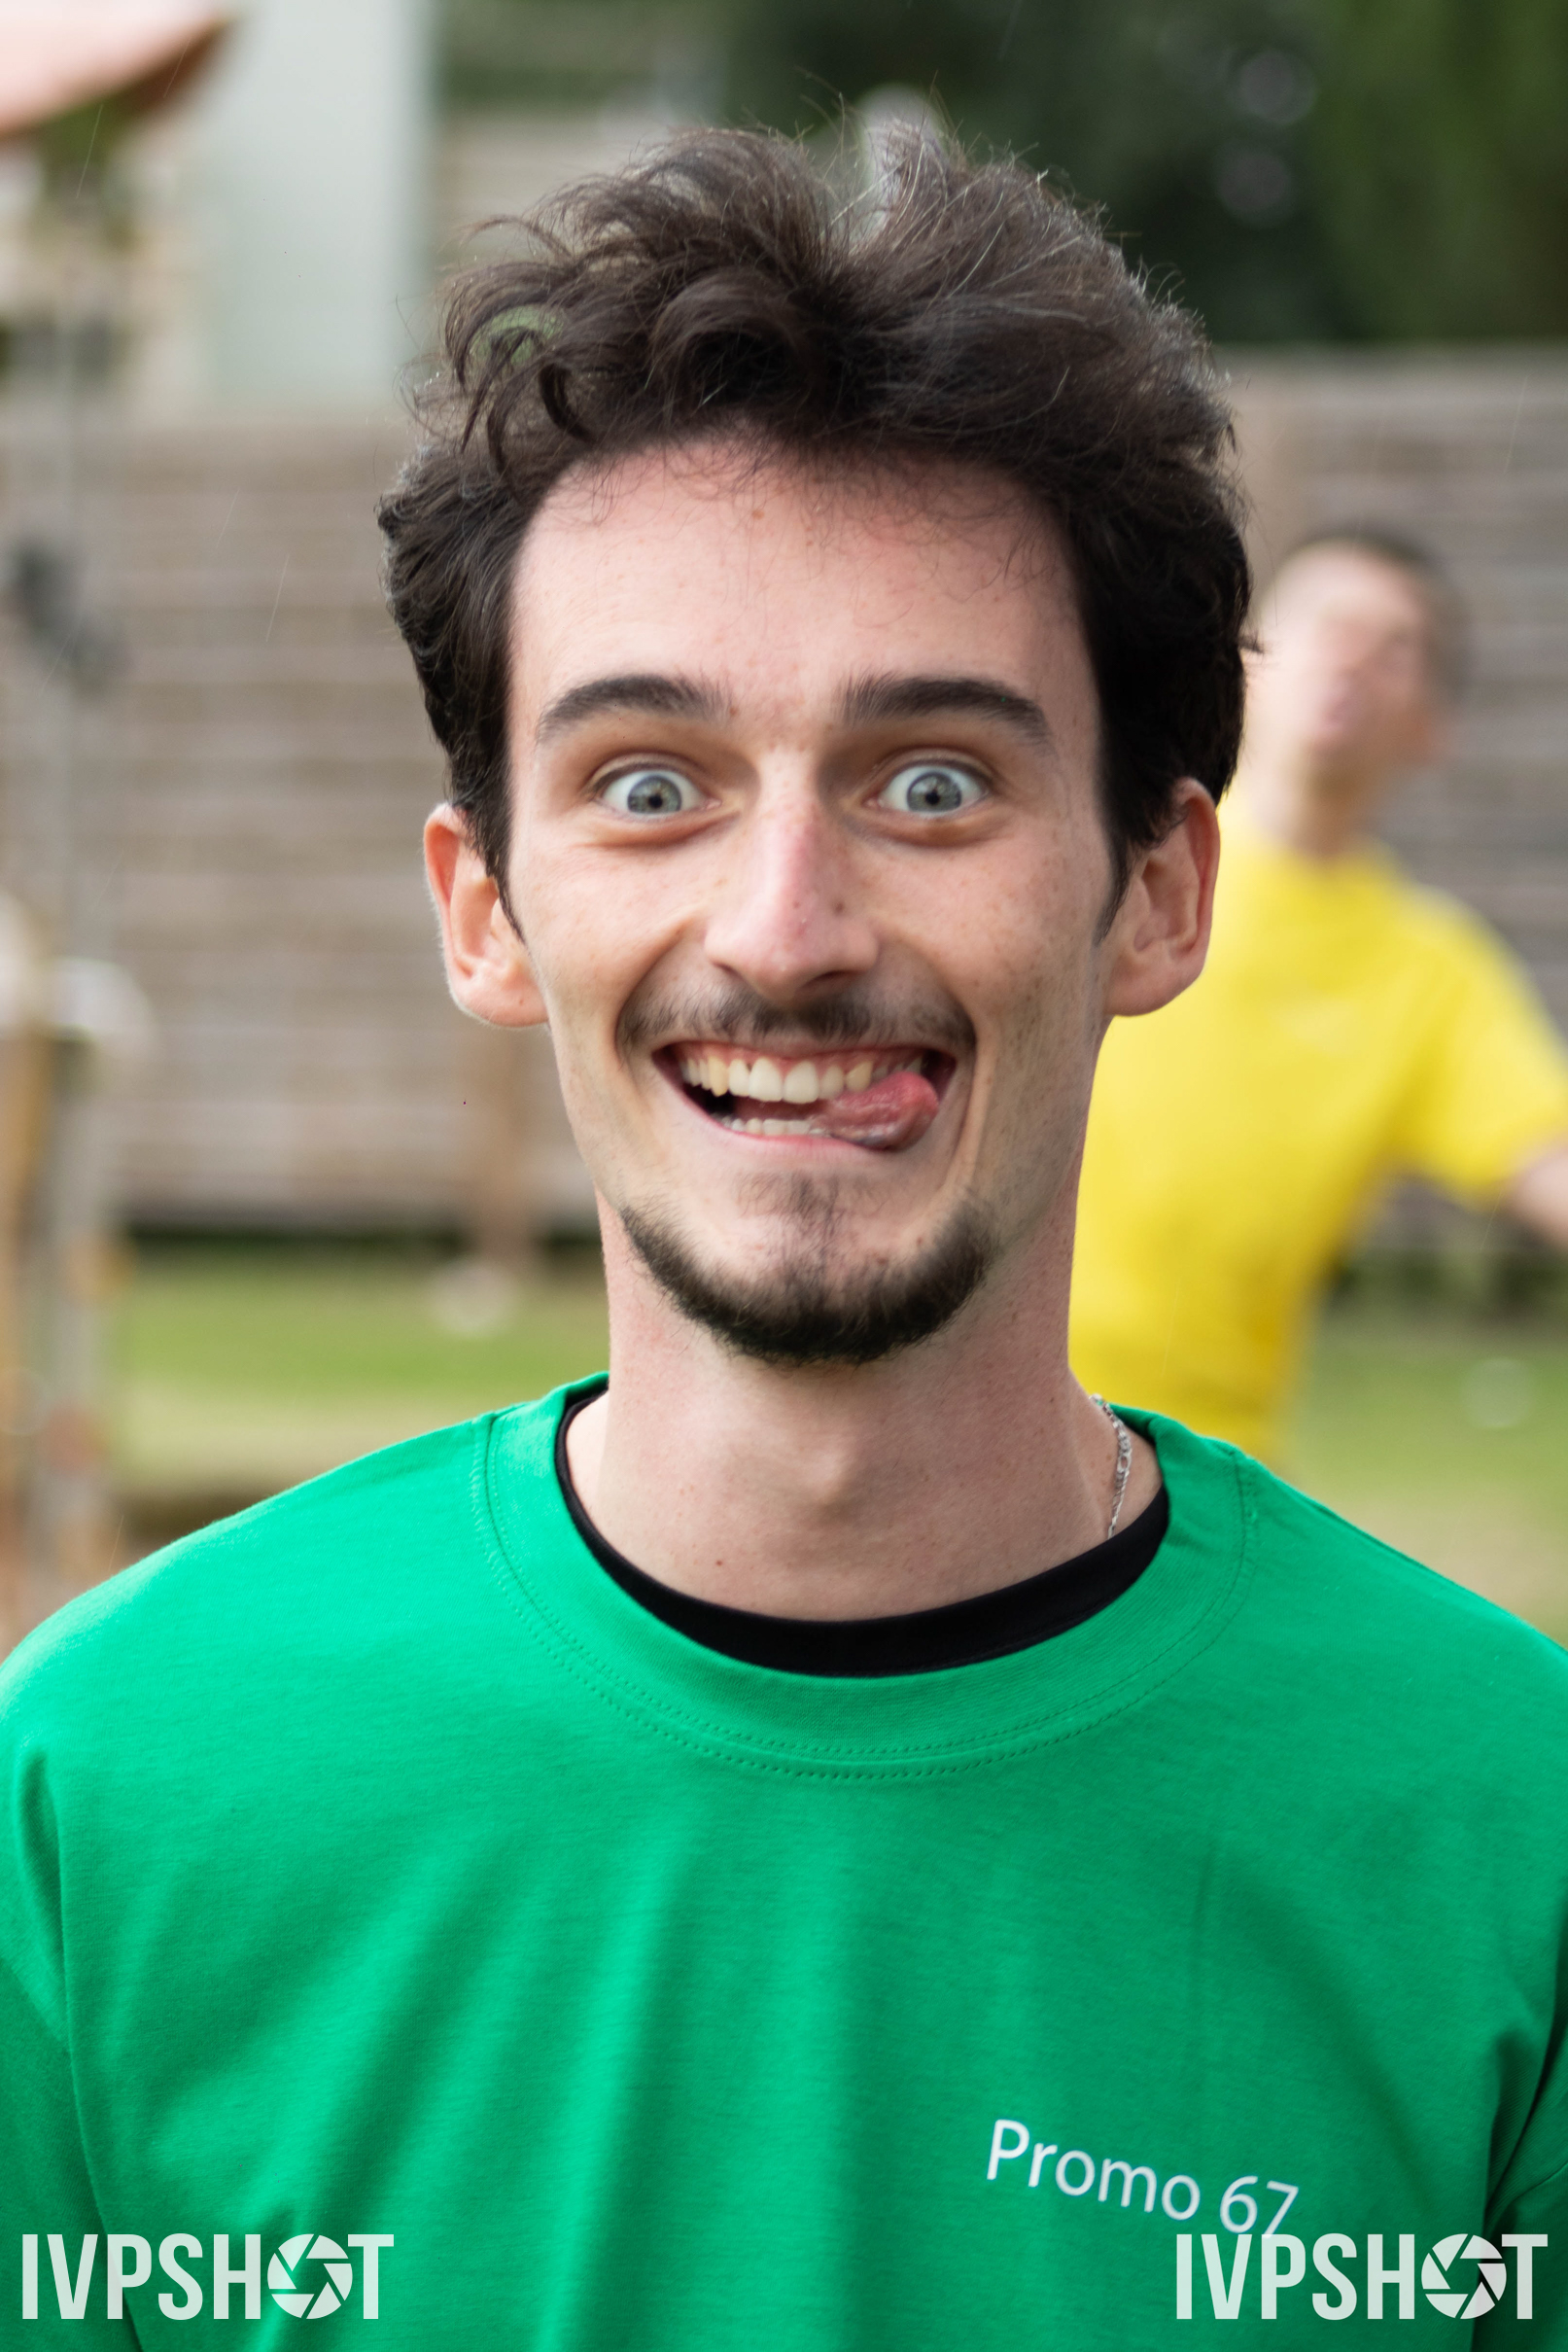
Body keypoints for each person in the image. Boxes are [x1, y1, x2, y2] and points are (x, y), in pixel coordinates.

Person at [3, 131, 1567, 2344]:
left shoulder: (1511, 1834)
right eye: (649, 783)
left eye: (931, 780)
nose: (785, 926)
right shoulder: (99, 1795)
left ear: (1153, 891)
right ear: (487, 907)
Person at [1071, 530, 1568, 1462]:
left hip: (1202, 1464)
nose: (1351, 659)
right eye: (1327, 623)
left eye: (1394, 647)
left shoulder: (1430, 975)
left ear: (1431, 727)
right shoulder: (1110, 858)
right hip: (978, 1401)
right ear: (1244, 667)